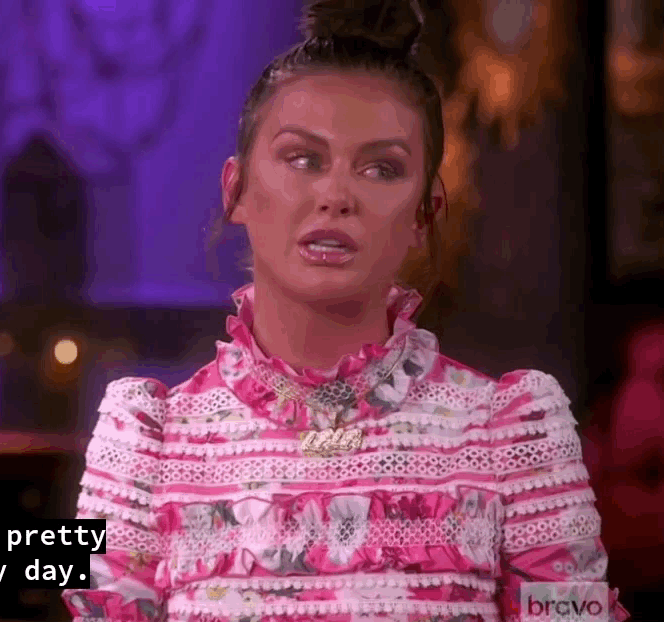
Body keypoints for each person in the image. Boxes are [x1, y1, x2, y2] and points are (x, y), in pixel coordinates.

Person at [61, 0, 630, 620]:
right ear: (236, 190)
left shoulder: (513, 436)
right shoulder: (148, 443)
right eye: (303, 159)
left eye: (381, 168)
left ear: (425, 215)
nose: (336, 196)